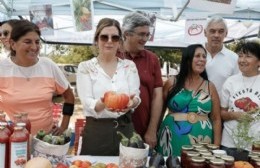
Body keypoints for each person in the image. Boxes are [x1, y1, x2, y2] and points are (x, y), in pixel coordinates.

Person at [77, 18, 141, 156]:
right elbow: (88, 103)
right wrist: (104, 103)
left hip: (126, 129)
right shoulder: (85, 67)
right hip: (97, 131)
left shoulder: (129, 66)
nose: (109, 41)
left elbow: (136, 96)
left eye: (115, 37)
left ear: (120, 42)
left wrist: (132, 103)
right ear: (96, 40)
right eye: (104, 37)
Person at [0, 20, 75, 135]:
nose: (34, 47)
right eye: (27, 42)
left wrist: (63, 127)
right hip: (13, 140)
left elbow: (69, 96)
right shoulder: (2, 68)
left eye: (37, 42)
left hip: (45, 140)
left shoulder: (49, 66)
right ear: (13, 44)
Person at [156, 44, 222, 156]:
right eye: (197, 56)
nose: (202, 59)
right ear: (187, 59)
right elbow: (160, 111)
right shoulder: (172, 83)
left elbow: (216, 119)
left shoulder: (210, 86)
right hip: (172, 137)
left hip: (203, 140)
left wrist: (216, 147)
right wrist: (153, 133)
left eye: (204, 56)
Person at [121, 11, 163, 149]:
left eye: (147, 34)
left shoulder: (152, 59)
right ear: (127, 33)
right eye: (141, 34)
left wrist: (152, 129)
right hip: (114, 128)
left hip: (143, 128)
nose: (145, 38)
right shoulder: (114, 56)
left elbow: (157, 96)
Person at [220, 40, 260, 154]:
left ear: (259, 62)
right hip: (229, 144)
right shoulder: (230, 81)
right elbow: (221, 112)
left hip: (256, 146)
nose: (242, 60)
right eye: (240, 56)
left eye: (248, 56)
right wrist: (234, 115)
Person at [204, 16, 240, 96]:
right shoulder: (195, 55)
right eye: (212, 31)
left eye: (221, 31)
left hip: (222, 107)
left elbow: (237, 86)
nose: (216, 35)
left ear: (226, 33)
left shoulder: (234, 58)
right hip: (194, 107)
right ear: (205, 33)